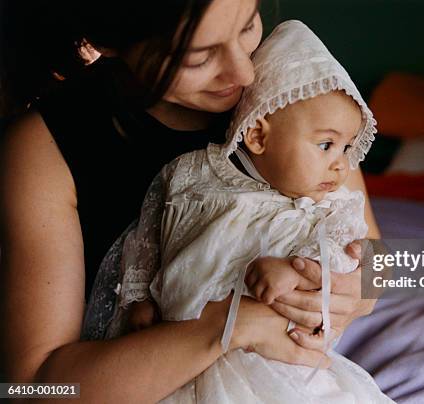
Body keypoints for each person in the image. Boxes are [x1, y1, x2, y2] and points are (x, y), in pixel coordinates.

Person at [0, 1, 380, 402]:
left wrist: (363, 289)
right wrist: (223, 327)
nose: (245, 73)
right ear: (108, 43)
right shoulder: (43, 149)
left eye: (248, 26)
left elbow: (392, 261)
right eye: (198, 56)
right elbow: (31, 387)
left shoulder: (292, 90)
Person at [110, 20, 390, 403]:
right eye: (327, 145)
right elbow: (149, 233)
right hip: (174, 354)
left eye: (247, 25)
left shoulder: (324, 198)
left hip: (273, 361)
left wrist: (297, 273)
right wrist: (140, 297)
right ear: (258, 135)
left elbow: (353, 254)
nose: (343, 165)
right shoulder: (190, 172)